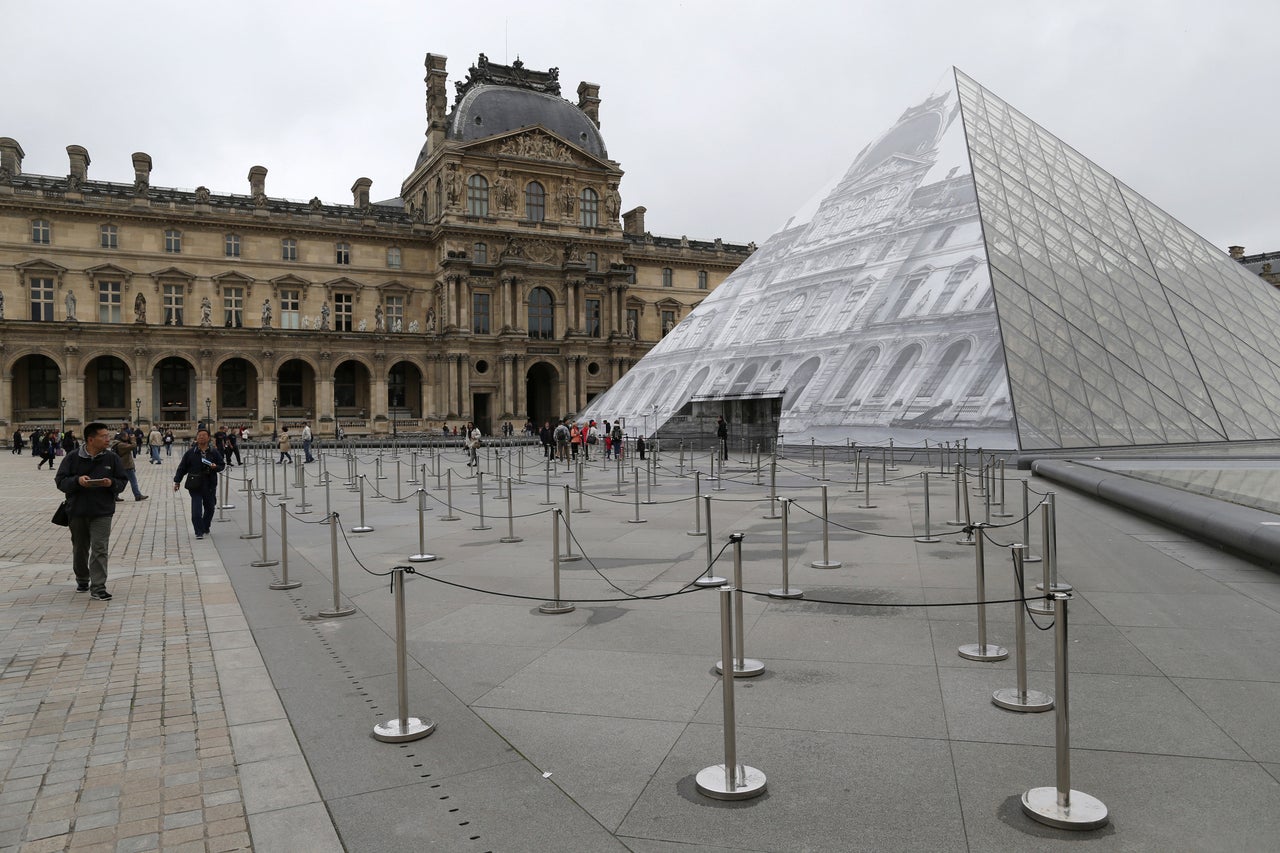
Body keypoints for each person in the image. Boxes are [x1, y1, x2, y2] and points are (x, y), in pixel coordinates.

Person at [55, 421, 127, 600]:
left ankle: (98, 587)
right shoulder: (72, 457)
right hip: (77, 510)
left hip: (102, 511)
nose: (108, 439)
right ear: (90, 439)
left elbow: (122, 482)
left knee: (100, 548)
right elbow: (60, 481)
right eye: (104, 436)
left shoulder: (112, 458)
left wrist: (112, 484)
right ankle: (82, 577)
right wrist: (77, 481)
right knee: (80, 548)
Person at [173, 427, 224, 540]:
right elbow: (182, 468)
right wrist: (177, 481)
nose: (201, 437)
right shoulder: (190, 453)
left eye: (204, 435)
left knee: (210, 507)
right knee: (196, 509)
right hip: (195, 484)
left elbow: (222, 465)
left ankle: (205, 526)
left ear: (208, 438)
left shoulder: (213, 452)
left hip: (210, 484)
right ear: (196, 438)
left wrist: (216, 467)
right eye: (199, 435)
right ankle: (198, 531)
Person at [111, 427, 148, 502]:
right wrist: (133, 439)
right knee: (133, 481)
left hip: (123, 465)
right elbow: (133, 446)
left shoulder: (118, 443)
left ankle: (115, 495)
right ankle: (137, 495)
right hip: (127, 466)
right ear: (123, 437)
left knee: (122, 482)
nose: (128, 437)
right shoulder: (121, 445)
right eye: (127, 436)